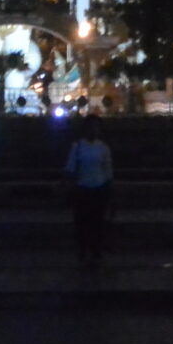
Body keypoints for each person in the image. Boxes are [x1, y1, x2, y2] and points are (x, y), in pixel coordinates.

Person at [64, 114, 114, 266]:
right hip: (82, 189)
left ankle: (95, 250)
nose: (93, 130)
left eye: (96, 127)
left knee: (97, 222)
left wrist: (110, 189)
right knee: (83, 222)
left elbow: (108, 170)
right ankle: (84, 249)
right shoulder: (78, 147)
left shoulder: (103, 148)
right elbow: (71, 168)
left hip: (99, 188)